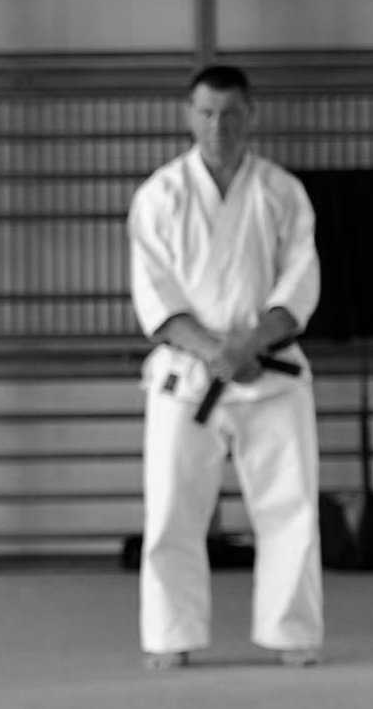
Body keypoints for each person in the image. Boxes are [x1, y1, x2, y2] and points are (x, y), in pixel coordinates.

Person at [128, 64, 324, 670]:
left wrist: (247, 345)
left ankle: (291, 631)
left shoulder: (281, 192)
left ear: (251, 115)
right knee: (172, 510)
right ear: (189, 116)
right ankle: (171, 634)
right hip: (188, 377)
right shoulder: (161, 194)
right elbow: (155, 294)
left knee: (290, 506)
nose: (219, 126)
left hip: (269, 372)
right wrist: (214, 350)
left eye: (231, 114)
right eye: (207, 114)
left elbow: (299, 284)